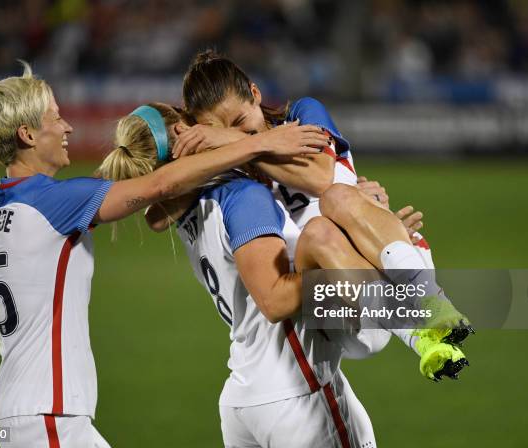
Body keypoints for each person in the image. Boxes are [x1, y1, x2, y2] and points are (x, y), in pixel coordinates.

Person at [0, 62, 326, 448]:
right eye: (56, 117)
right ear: (27, 133)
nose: (68, 126)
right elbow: (161, 186)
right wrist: (376, 280)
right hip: (293, 391)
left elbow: (157, 203)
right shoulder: (245, 196)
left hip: (23, 410)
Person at [97, 103, 467, 447]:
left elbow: (155, 214)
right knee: (321, 236)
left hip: (243, 394)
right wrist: (362, 256)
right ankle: (419, 326)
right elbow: (275, 298)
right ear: (184, 131)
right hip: (297, 392)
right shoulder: (241, 195)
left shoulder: (180, 210)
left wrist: (368, 235)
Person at [176, 50, 473, 378]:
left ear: (256, 93)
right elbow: (157, 215)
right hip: (342, 310)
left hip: (400, 271)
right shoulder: (236, 184)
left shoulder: (302, 115)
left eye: (240, 123)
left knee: (336, 196)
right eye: (220, 133)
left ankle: (431, 319)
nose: (236, 136)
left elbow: (319, 178)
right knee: (318, 231)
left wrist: (233, 142)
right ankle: (418, 330)